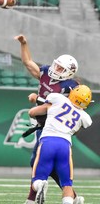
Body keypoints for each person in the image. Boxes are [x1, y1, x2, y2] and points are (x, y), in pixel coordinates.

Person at [14, 34, 84, 204]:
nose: (56, 69)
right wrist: (24, 43)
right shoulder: (45, 73)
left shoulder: (71, 87)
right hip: (42, 125)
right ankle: (72, 196)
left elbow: (65, 107)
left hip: (53, 126)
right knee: (48, 165)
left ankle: (32, 199)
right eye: (57, 65)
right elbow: (28, 63)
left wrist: (38, 101)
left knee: (38, 162)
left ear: (69, 73)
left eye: (61, 68)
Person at [28, 85, 93, 204]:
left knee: (37, 179)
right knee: (67, 185)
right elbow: (79, 127)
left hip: (48, 141)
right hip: (64, 145)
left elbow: (36, 110)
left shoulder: (58, 98)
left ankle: (40, 185)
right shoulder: (85, 117)